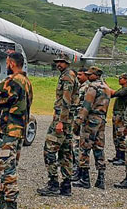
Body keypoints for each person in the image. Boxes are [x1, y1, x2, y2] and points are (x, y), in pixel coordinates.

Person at [0, 51, 33, 209]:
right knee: (8, 165)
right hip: (18, 131)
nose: (6, 65)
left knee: (7, 167)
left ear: (12, 63)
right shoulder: (26, 82)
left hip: (8, 131)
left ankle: (11, 203)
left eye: (7, 62)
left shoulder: (14, 81)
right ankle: (1, 199)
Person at [37, 53, 78, 197]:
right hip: (67, 120)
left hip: (62, 120)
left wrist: (61, 121)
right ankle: (66, 186)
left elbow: (66, 100)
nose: (58, 64)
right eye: (57, 62)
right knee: (65, 152)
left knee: (49, 150)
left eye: (61, 62)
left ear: (67, 63)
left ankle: (53, 183)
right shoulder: (69, 75)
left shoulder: (67, 77)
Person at [73, 66, 110, 190]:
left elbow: (86, 106)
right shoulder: (106, 87)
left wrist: (78, 122)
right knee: (99, 148)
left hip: (91, 120)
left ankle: (85, 179)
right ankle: (101, 178)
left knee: (84, 148)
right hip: (101, 119)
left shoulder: (92, 87)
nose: (88, 76)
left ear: (96, 75)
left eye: (90, 74)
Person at [108, 73, 127, 166]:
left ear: (125, 80)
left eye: (121, 78)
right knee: (115, 136)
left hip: (121, 115)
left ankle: (122, 157)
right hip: (117, 115)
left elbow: (115, 94)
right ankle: (118, 155)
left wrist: (106, 87)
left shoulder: (126, 89)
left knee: (120, 136)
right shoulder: (122, 89)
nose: (119, 80)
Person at [71, 67, 88, 181]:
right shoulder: (81, 86)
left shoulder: (86, 88)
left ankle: (78, 168)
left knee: (77, 144)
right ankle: (76, 166)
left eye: (81, 75)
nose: (78, 77)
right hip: (76, 117)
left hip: (80, 119)